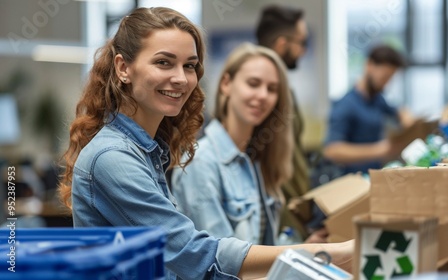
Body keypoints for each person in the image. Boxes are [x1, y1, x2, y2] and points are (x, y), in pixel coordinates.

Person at [58, 7, 353, 280]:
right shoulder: (113, 157)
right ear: (123, 68)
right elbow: (195, 255)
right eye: (163, 62)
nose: (181, 78)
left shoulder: (149, 151)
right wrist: (331, 254)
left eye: (189, 66)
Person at [171, 43, 293, 246]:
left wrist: (302, 251)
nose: (263, 95)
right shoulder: (201, 163)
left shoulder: (256, 159)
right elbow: (222, 260)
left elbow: (262, 244)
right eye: (253, 84)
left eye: (272, 89)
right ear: (226, 84)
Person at [255, 4, 326, 243]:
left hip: (293, 215)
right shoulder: (261, 101)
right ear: (282, 45)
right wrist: (292, 235)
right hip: (280, 223)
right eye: (301, 43)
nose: (303, 51)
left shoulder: (285, 92)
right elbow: (265, 178)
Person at [323, 44, 413, 175]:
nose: (386, 83)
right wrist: (381, 149)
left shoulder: (377, 100)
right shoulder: (346, 105)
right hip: (351, 181)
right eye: (384, 77)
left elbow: (399, 111)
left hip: (373, 176)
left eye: (390, 79)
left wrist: (407, 118)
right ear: (369, 65)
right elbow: (332, 150)